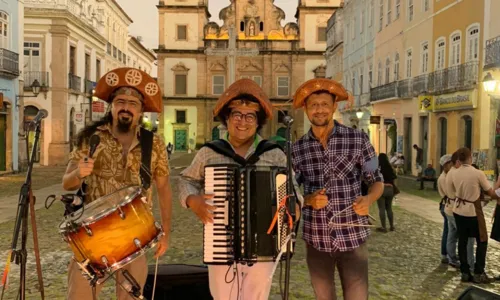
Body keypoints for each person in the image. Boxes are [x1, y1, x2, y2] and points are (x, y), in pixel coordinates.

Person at [178, 78, 302, 300]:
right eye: (236, 115)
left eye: (249, 116)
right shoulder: (210, 152)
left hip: (263, 245)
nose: (242, 122)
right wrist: (192, 200)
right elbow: (186, 180)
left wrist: (294, 207)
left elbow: (292, 191)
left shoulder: (274, 154)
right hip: (220, 243)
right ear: (227, 119)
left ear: (258, 122)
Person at [62, 67, 172, 299]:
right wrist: (79, 174)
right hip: (94, 239)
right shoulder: (90, 138)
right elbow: (67, 183)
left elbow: (163, 188)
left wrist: (166, 233)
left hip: (136, 238)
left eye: (133, 104)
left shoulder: (155, 143)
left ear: (141, 110)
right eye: (120, 101)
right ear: (111, 106)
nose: (126, 107)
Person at [291, 78, 384, 300]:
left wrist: (368, 199)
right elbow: (290, 190)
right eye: (313, 105)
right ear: (305, 109)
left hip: (352, 237)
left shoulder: (359, 139)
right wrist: (308, 199)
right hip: (316, 239)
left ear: (334, 106)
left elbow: (377, 179)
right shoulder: (297, 148)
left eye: (324, 104)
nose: (319, 110)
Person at [452, 147, 499, 283]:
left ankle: (465, 272)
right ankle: (478, 271)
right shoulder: (477, 173)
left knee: (462, 240)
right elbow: (489, 191)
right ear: (470, 157)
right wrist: (496, 196)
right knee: (482, 240)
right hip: (472, 211)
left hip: (458, 209)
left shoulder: (455, 172)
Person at [445, 152, 475, 269]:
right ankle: (468, 264)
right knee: (466, 239)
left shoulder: (450, 173)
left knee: (452, 235)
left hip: (450, 207)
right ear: (458, 162)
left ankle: (452, 258)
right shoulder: (455, 173)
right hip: (455, 209)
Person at [375, 153, 397, 233]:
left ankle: (383, 227)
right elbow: (394, 179)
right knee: (389, 208)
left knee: (382, 208)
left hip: (381, 188)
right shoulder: (390, 168)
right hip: (390, 188)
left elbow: (375, 180)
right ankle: (392, 226)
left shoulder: (377, 169)